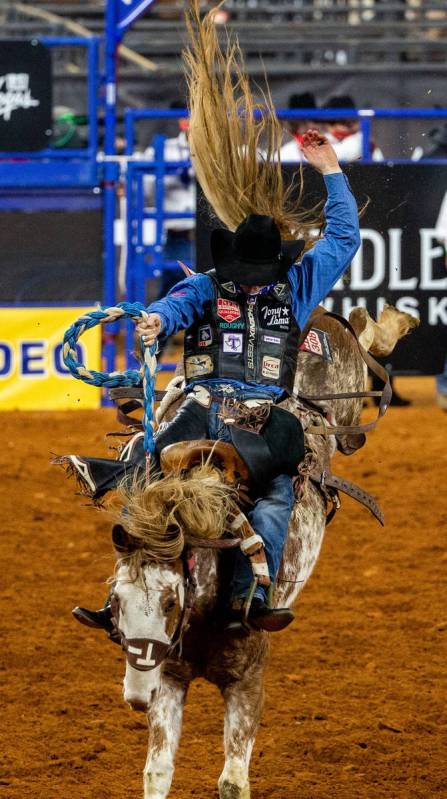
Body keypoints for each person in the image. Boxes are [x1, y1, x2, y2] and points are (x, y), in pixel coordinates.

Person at [72, 1, 360, 637]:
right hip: (205, 398)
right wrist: (154, 322)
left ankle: (249, 600)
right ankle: (127, 595)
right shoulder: (210, 284)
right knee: (149, 467)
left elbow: (341, 240)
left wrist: (333, 173)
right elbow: (174, 305)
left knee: (278, 497)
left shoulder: (297, 279)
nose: (249, 283)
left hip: (264, 415)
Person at [143, 100, 196, 298]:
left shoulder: (223, 150)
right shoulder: (163, 150)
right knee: (172, 294)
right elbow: (146, 189)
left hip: (213, 236)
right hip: (179, 235)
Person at [322, 95, 384, 162]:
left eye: (342, 123)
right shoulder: (328, 137)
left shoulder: (360, 139)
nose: (328, 127)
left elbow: (345, 153)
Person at [277, 92, 319, 163]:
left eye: (313, 120)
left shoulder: (333, 148)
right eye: (303, 121)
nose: (311, 126)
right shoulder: (284, 154)